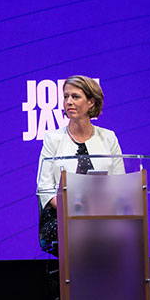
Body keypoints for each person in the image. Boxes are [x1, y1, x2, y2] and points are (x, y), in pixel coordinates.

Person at [36, 75, 124, 254]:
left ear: (91, 102)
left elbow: (120, 184)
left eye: (75, 97)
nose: (68, 102)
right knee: (84, 230)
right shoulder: (53, 139)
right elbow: (44, 188)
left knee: (119, 228)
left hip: (102, 214)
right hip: (61, 216)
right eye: (66, 96)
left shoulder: (108, 138)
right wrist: (73, 209)